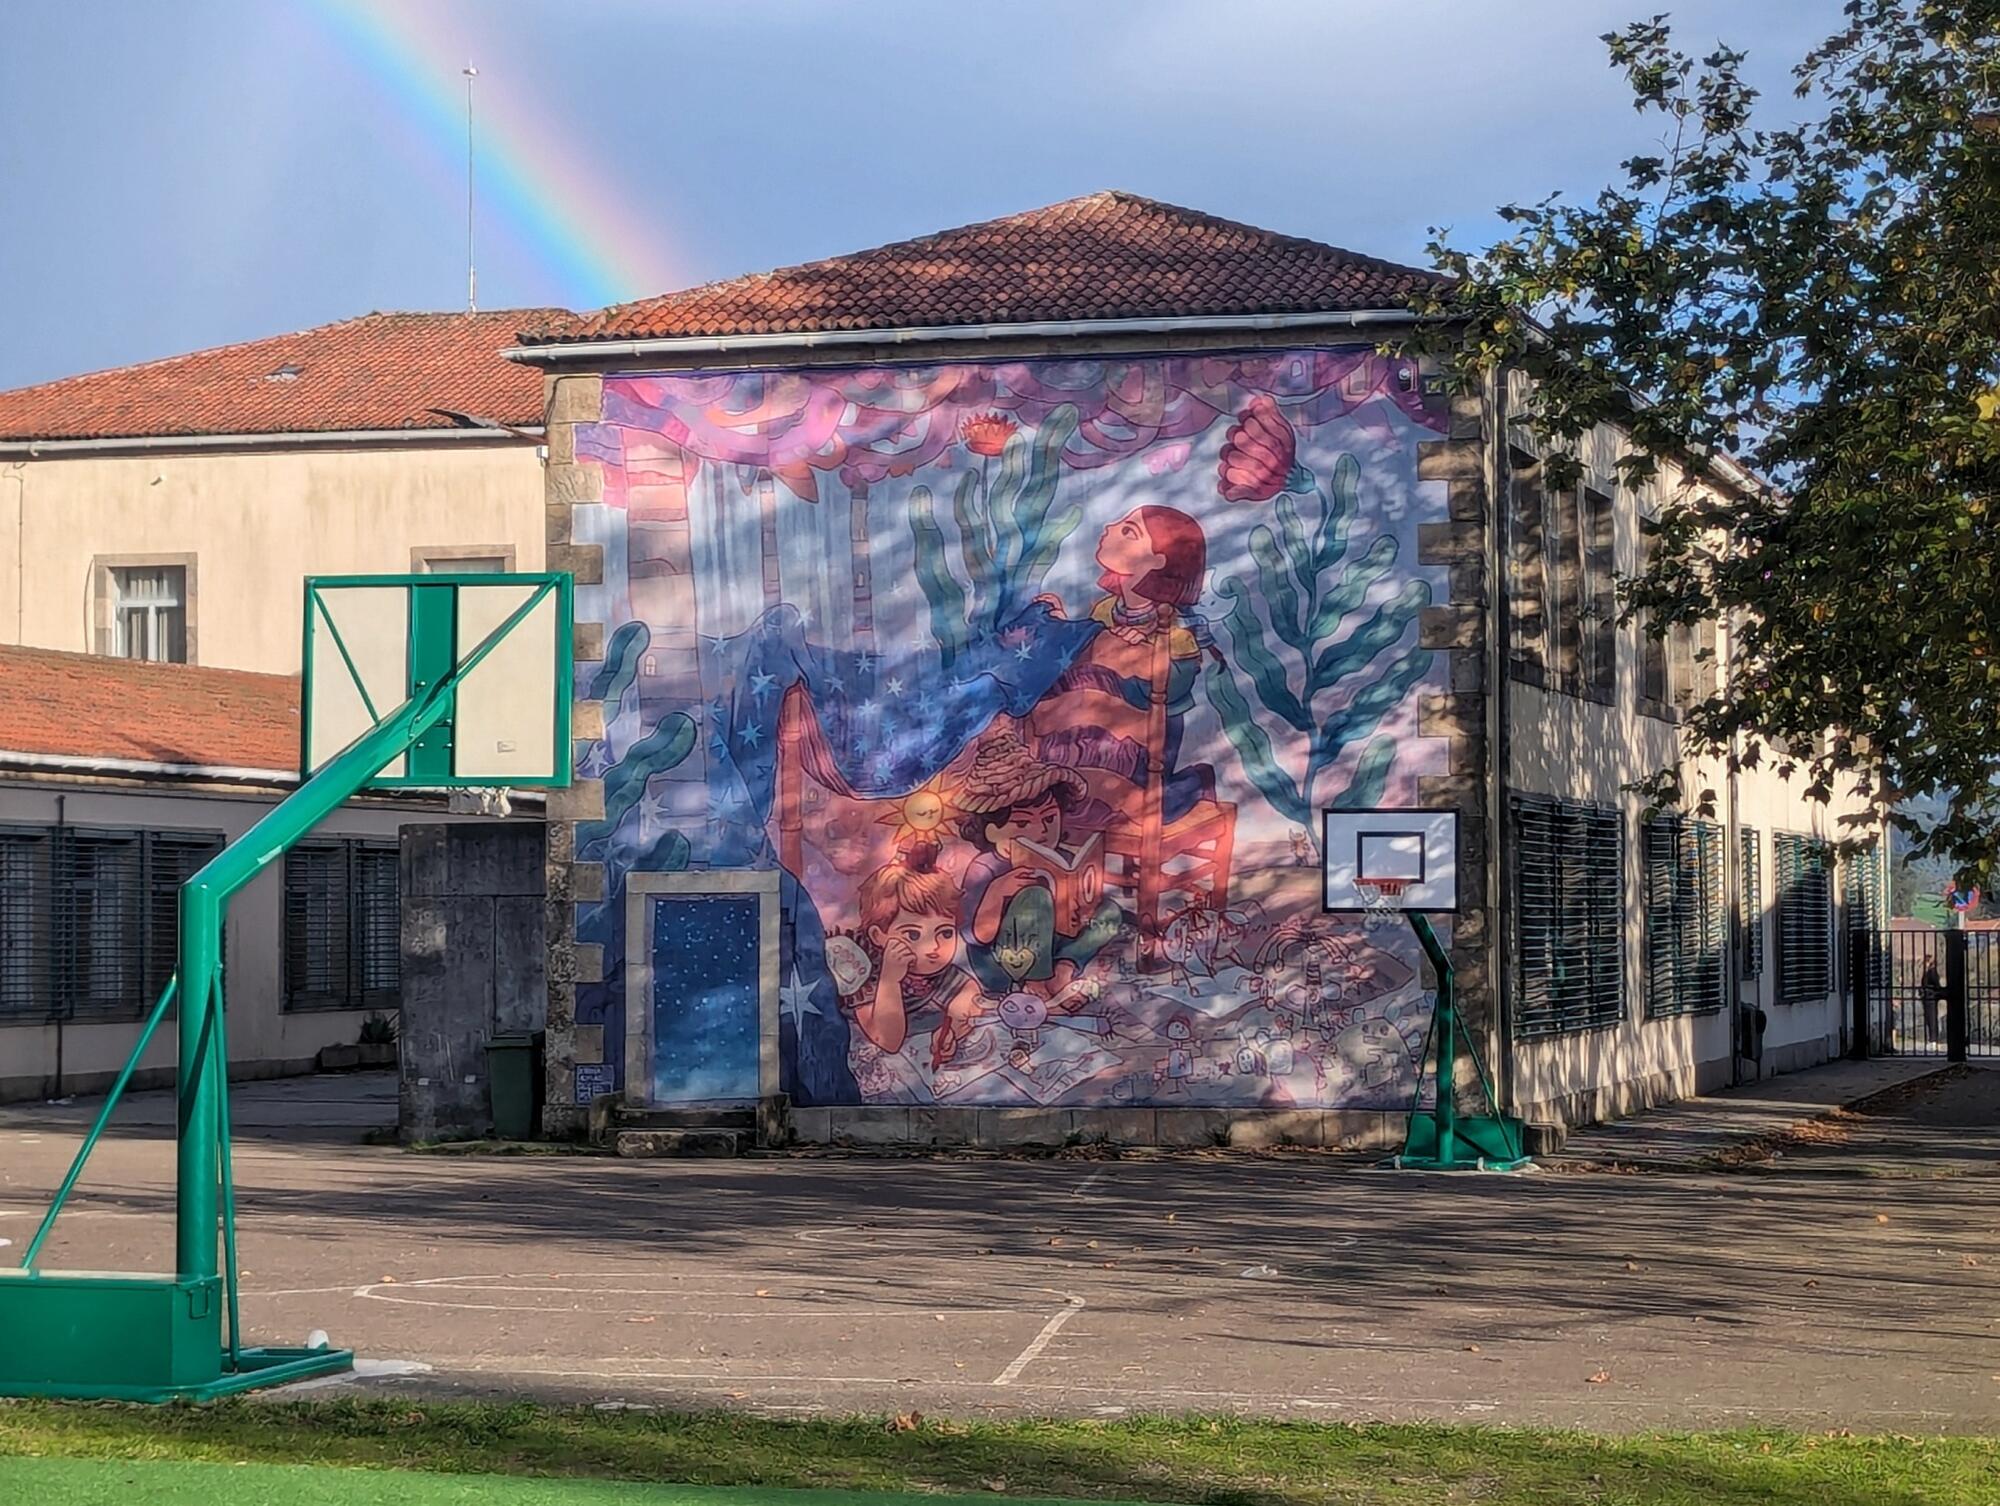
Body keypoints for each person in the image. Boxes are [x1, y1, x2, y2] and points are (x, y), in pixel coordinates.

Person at [956, 729, 1122, 1001]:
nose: (1040, 830)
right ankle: (1035, 982)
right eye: (1022, 824)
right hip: (1001, 961)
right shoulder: (985, 868)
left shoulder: (1057, 854)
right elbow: (977, 936)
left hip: (1054, 944)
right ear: (989, 831)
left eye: (1049, 819)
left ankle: (1064, 968)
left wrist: (1081, 901)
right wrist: (999, 890)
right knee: (1035, 897)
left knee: (1110, 912)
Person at [852, 840, 985, 1069]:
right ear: (878, 935)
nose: (933, 947)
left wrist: (951, 1028)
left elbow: (970, 991)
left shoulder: (939, 973)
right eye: (913, 935)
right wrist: (889, 980)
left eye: (944, 932)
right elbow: (888, 1042)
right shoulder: (863, 979)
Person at [1921, 954, 1944, 1044]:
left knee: (1932, 1018)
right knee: (1929, 1018)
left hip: (1931, 998)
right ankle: (1931, 1037)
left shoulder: (1932, 972)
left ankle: (1933, 1038)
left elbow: (1936, 985)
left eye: (1926, 961)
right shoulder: (1927, 972)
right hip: (1927, 997)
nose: (1925, 963)